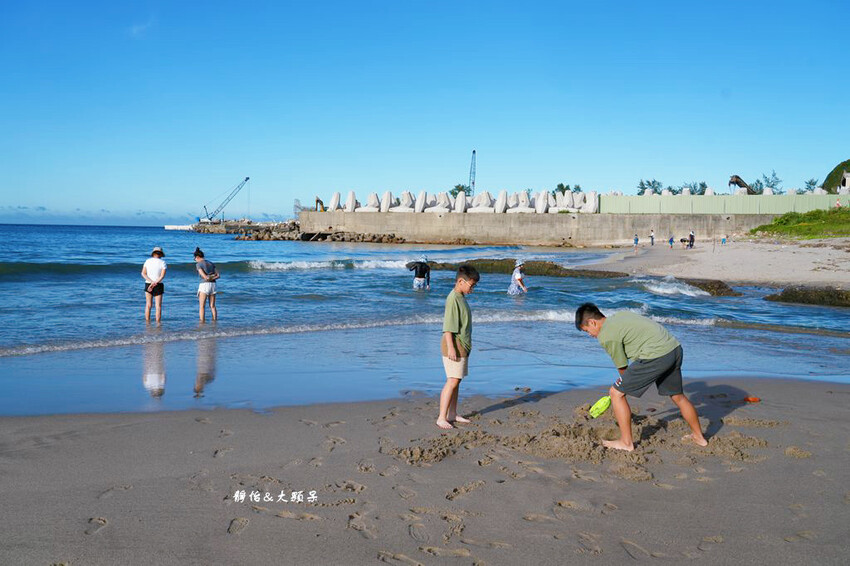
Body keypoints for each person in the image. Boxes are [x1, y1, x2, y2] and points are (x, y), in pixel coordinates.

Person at [574, 303, 707, 451]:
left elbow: (622, 367)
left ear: (592, 322)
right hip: (673, 348)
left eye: (587, 330)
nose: (590, 335)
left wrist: (624, 386)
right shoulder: (621, 315)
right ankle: (699, 437)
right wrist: (628, 382)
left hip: (656, 355)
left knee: (616, 393)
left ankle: (626, 442)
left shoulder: (606, 336)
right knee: (678, 396)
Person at [437, 264, 480, 430]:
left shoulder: (461, 297)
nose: (473, 289)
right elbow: (448, 327)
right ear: (461, 281)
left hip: (461, 344)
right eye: (472, 285)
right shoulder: (453, 298)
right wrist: (452, 348)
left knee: (457, 381)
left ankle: (452, 413)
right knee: (452, 381)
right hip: (453, 345)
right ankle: (441, 417)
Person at [141, 246, 167, 322]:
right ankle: (158, 324)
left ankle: (147, 323)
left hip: (148, 284)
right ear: (161, 254)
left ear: (153, 253)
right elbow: (162, 276)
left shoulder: (147, 261)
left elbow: (143, 273)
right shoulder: (163, 262)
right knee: (158, 306)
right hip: (158, 284)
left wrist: (151, 282)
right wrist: (155, 282)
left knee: (148, 305)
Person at [194, 247, 219, 322]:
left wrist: (207, 278)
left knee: (202, 306)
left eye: (194, 258)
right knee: (212, 306)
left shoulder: (198, 264)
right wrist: (212, 277)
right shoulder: (211, 263)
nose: (195, 260)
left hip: (204, 285)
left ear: (197, 257)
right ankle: (215, 321)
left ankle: (202, 322)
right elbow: (218, 275)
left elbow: (204, 276)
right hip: (213, 285)